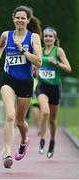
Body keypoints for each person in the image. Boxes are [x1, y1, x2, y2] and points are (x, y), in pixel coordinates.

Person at [0, 5, 42, 168]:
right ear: (13, 19)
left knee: (20, 121)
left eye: (23, 18)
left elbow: (38, 62)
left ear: (28, 20)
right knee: (10, 116)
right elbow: (0, 46)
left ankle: (24, 140)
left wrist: (23, 51)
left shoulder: (33, 37)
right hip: (9, 80)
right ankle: (7, 154)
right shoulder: (6, 35)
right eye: (17, 17)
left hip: (26, 82)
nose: (20, 20)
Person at [36, 27, 72, 158]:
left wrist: (56, 62)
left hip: (55, 88)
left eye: (50, 36)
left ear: (55, 39)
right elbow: (34, 66)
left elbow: (68, 68)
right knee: (45, 112)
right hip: (42, 86)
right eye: (46, 36)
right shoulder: (39, 50)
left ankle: (52, 141)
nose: (48, 38)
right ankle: (42, 139)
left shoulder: (58, 51)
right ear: (43, 38)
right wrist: (34, 69)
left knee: (52, 120)